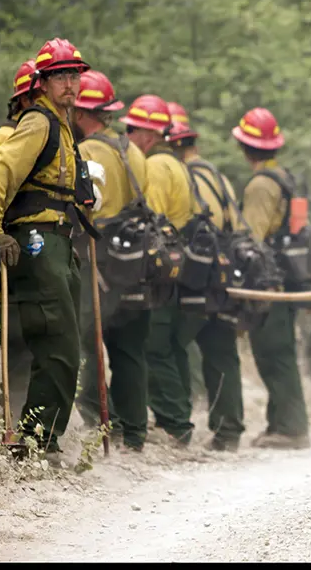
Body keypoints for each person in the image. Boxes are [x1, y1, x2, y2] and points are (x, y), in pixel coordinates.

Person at [0, 38, 90, 458]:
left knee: (65, 345)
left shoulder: (62, 125)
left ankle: (42, 439)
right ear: (42, 82)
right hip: (37, 244)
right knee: (57, 343)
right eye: (60, 76)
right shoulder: (38, 122)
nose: (69, 83)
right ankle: (35, 440)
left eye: (74, 75)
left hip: (57, 243)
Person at [71, 70, 152, 452]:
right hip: (137, 266)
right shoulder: (134, 151)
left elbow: (84, 211)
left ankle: (101, 426)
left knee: (90, 346)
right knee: (130, 350)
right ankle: (134, 434)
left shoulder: (85, 152)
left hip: (99, 265)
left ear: (81, 110)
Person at [121, 95, 204, 447]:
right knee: (168, 345)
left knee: (155, 346)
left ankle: (174, 422)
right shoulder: (179, 167)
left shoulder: (155, 166)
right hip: (175, 264)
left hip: (157, 267)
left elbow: (150, 217)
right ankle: (177, 417)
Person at [168, 115, 246, 452]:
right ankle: (228, 431)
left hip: (201, 273)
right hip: (227, 268)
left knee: (170, 343)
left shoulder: (184, 175)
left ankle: (175, 426)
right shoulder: (218, 175)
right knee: (222, 348)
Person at [235, 107, 311, 450]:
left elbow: (251, 236)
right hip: (287, 279)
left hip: (269, 282)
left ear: (245, 146)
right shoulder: (284, 176)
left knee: (273, 353)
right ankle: (281, 423)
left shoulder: (262, 185)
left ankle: (291, 428)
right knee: (280, 351)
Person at [0, 58, 38, 414]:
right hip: (8, 252)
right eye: (33, 98)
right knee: (17, 340)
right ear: (21, 101)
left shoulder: (43, 134)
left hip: (30, 253)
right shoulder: (9, 137)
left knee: (30, 342)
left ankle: (21, 413)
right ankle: (14, 413)